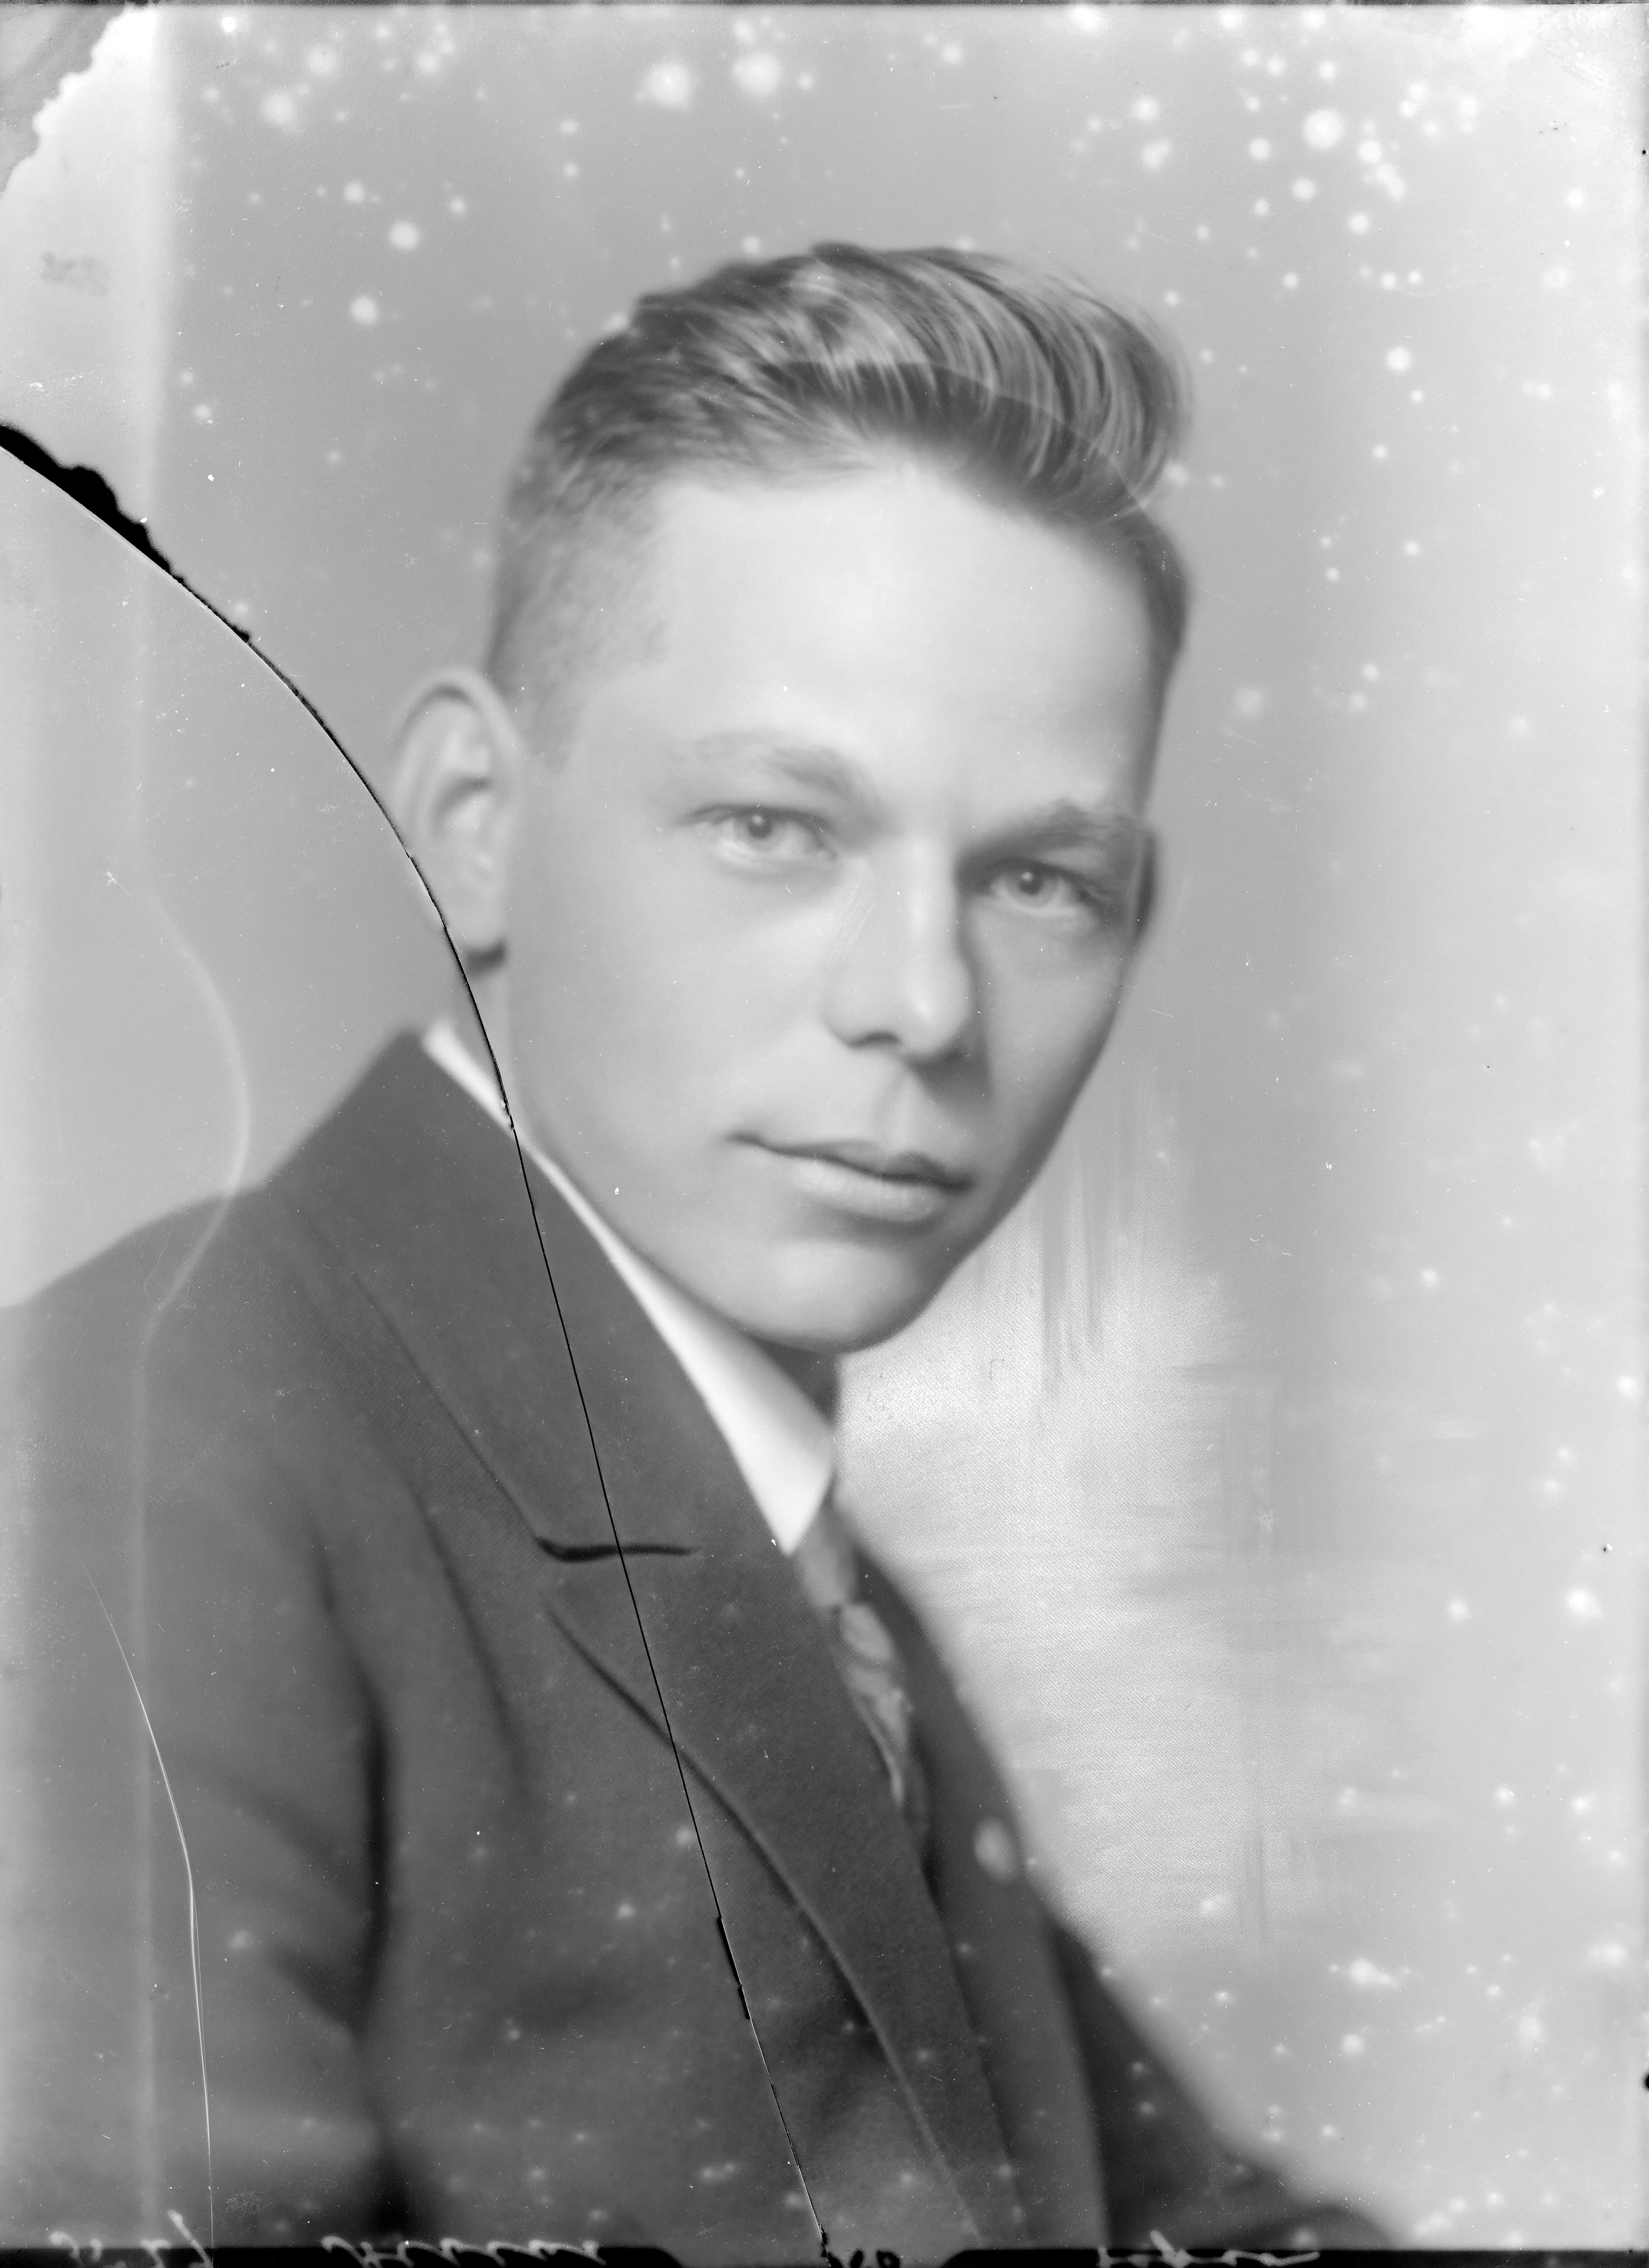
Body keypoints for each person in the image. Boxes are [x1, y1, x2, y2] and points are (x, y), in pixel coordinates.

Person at [3, 245, 1385, 2257]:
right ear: (470, 819)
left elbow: (1186, 2222)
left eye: (1034, 877)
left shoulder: (804, 1557)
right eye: (774, 828)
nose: (921, 1003)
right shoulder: (132, 1470)